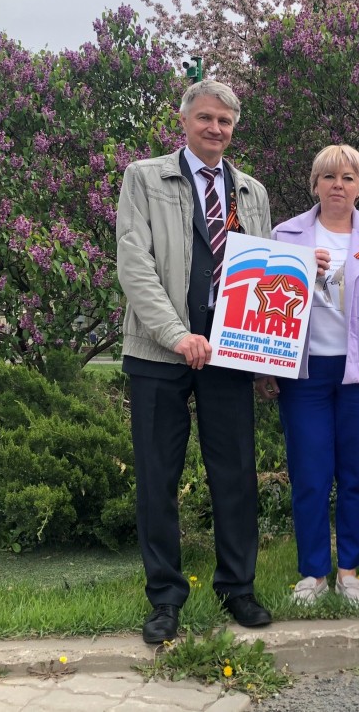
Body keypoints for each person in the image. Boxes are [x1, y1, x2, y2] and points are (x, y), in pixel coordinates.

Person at [116, 80, 274, 645]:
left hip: (229, 351)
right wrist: (177, 334)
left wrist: (263, 351)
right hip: (159, 350)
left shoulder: (251, 191)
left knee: (235, 475)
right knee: (158, 477)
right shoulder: (144, 177)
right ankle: (164, 597)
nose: (215, 128)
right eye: (205, 117)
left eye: (225, 121)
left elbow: (263, 272)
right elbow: (134, 263)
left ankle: (238, 588)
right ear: (183, 121)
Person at [257, 145, 359, 608]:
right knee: (309, 475)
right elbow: (263, 307)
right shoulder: (285, 236)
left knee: (355, 476)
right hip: (304, 375)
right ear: (314, 184)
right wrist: (263, 369)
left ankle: (349, 571)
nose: (338, 186)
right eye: (328, 177)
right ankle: (313, 573)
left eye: (348, 178)